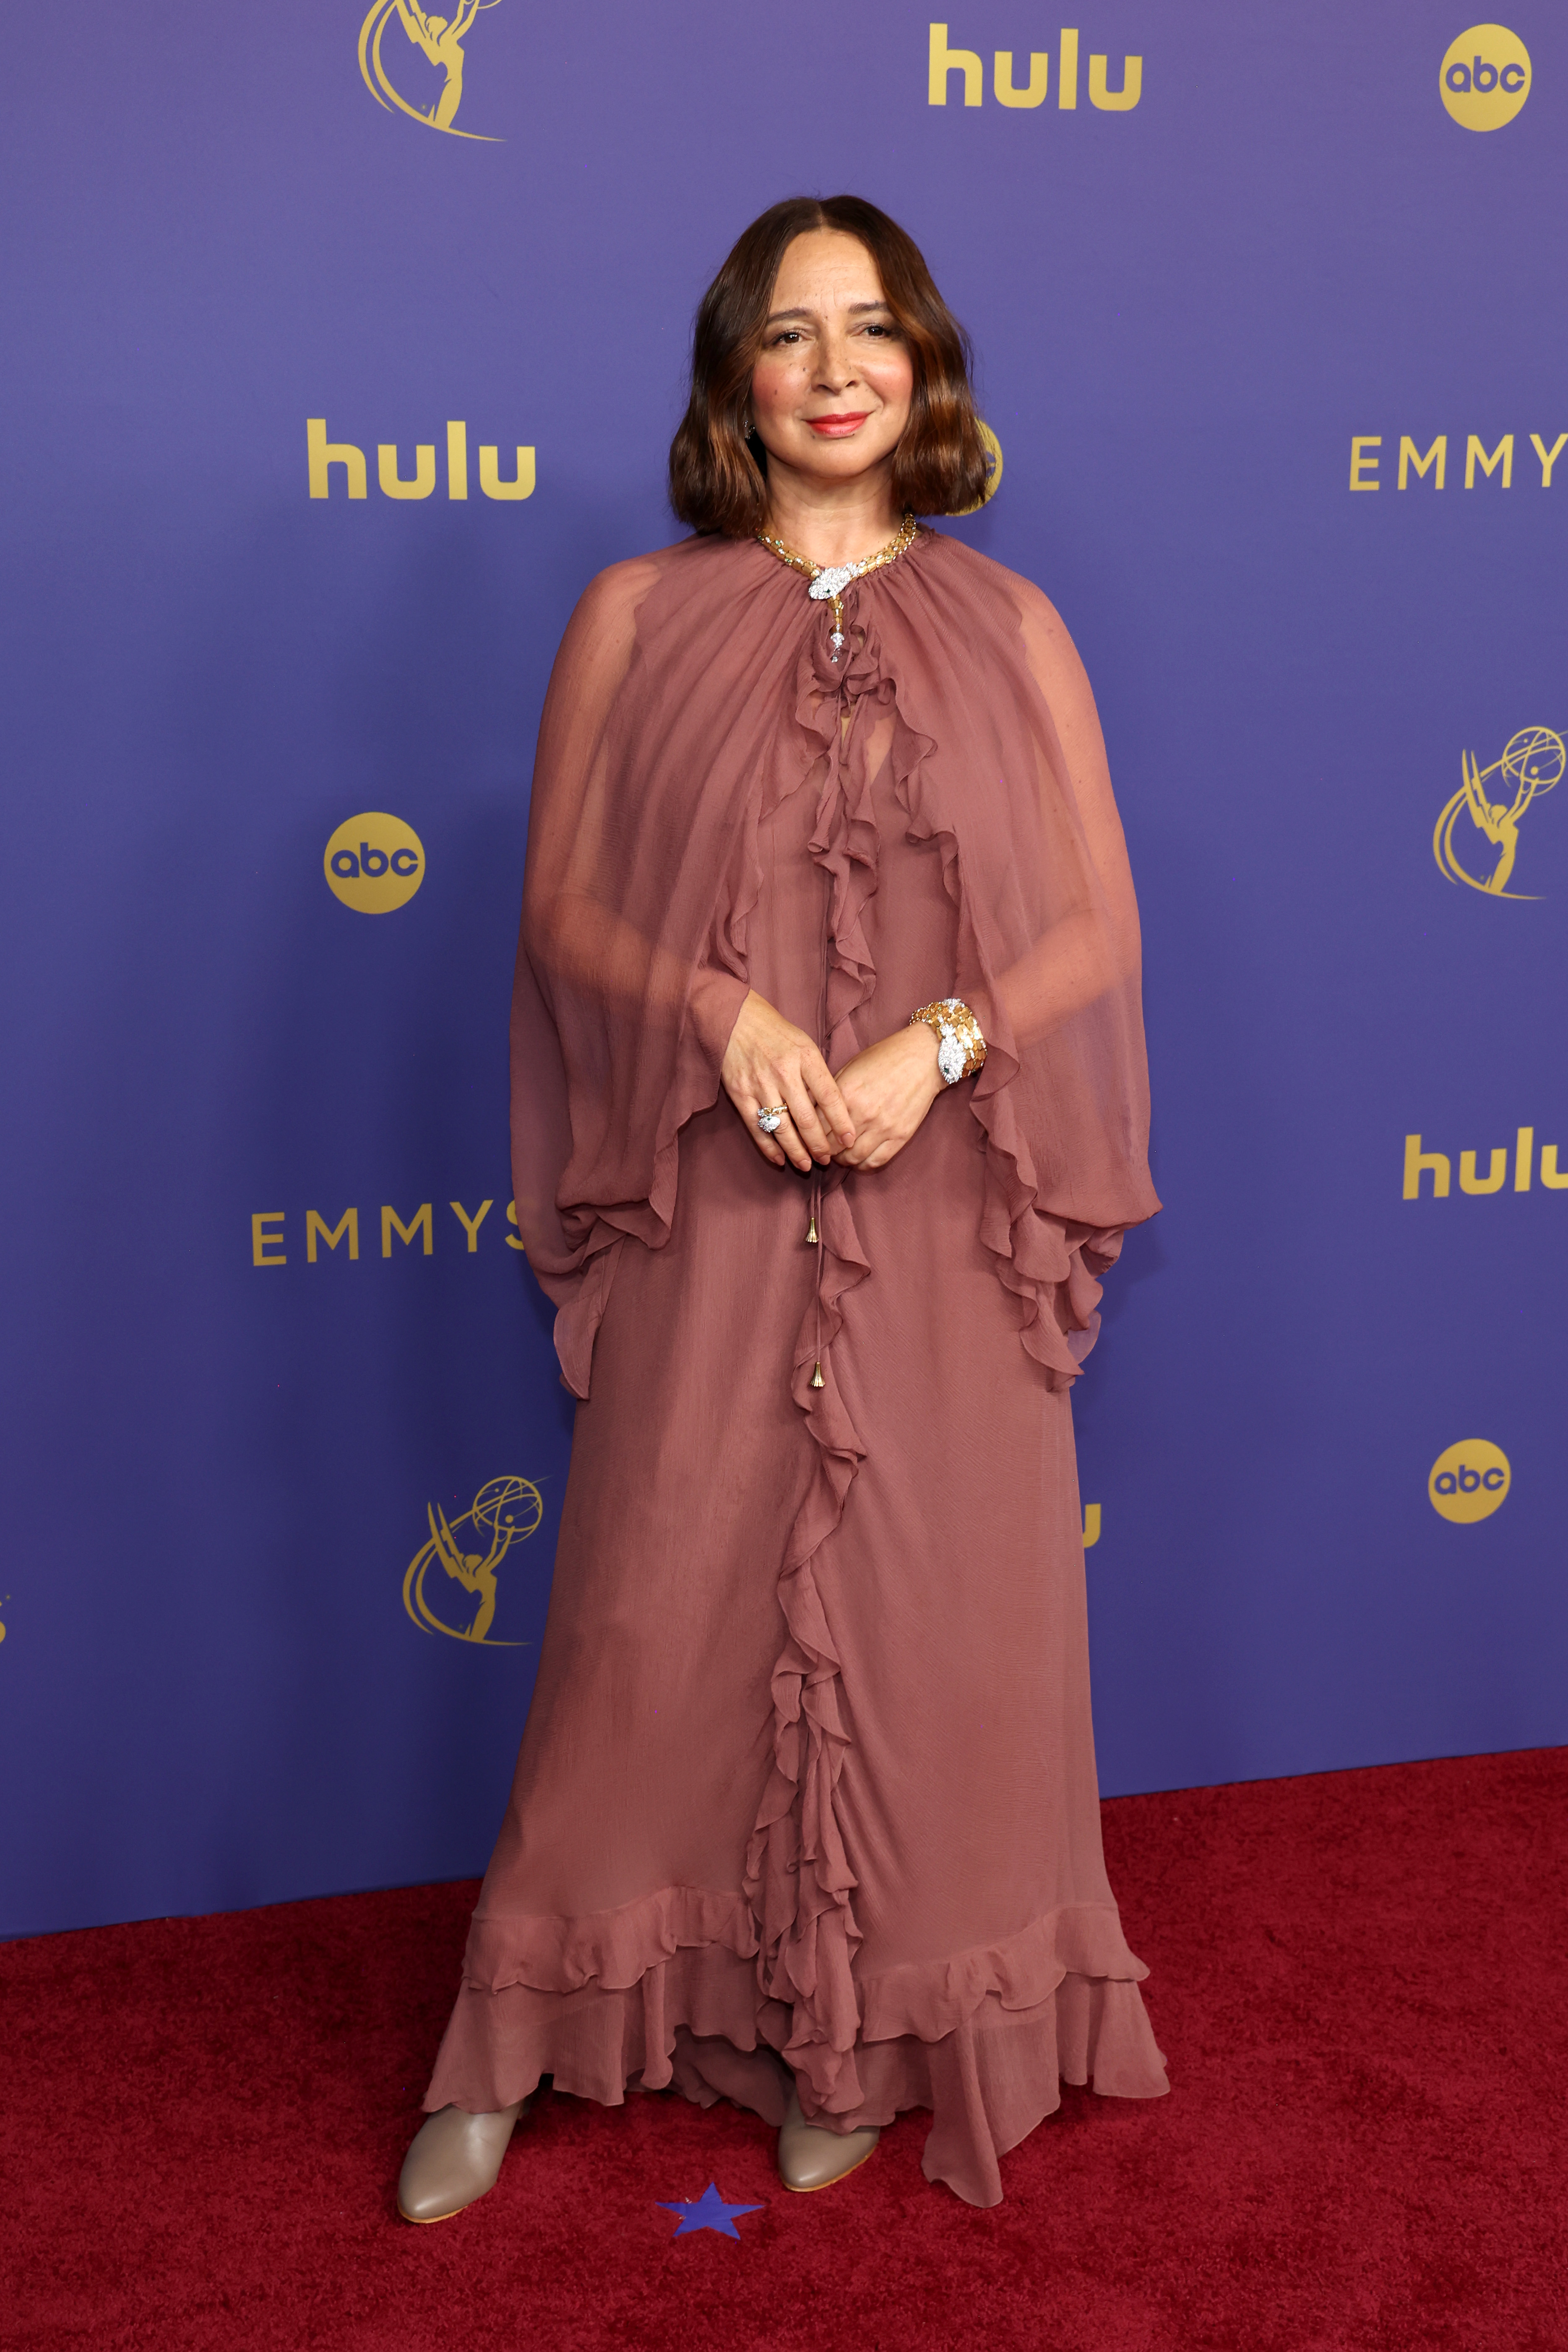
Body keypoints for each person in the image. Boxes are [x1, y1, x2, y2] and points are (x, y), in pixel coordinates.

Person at [398, 193, 1168, 2220]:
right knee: (649, 1616)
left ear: (924, 372)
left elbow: (1094, 926)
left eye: (874, 329)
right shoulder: (633, 618)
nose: (836, 368)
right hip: (714, 1203)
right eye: (792, 331)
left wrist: (943, 1041)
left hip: (937, 1220)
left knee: (929, 1640)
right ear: (733, 373)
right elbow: (559, 907)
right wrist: (706, 1000)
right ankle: (528, 2018)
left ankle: (863, 2038)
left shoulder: (1012, 630)